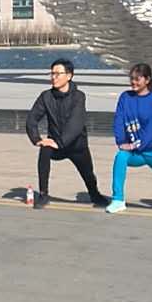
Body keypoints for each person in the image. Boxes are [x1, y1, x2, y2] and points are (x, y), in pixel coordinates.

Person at [26, 58, 108, 209]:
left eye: (58, 74)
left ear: (69, 76)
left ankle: (95, 194)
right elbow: (32, 119)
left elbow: (75, 124)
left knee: (88, 173)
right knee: (45, 150)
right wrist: (36, 139)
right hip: (55, 145)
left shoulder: (79, 96)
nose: (53, 77)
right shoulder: (46, 96)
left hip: (76, 145)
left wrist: (60, 142)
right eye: (52, 73)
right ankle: (43, 194)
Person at [107, 63, 152, 214]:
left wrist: (137, 145)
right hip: (135, 153)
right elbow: (118, 121)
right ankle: (118, 199)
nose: (133, 82)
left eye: (137, 79)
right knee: (120, 157)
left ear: (147, 80)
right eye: (132, 79)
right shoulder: (125, 97)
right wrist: (121, 142)